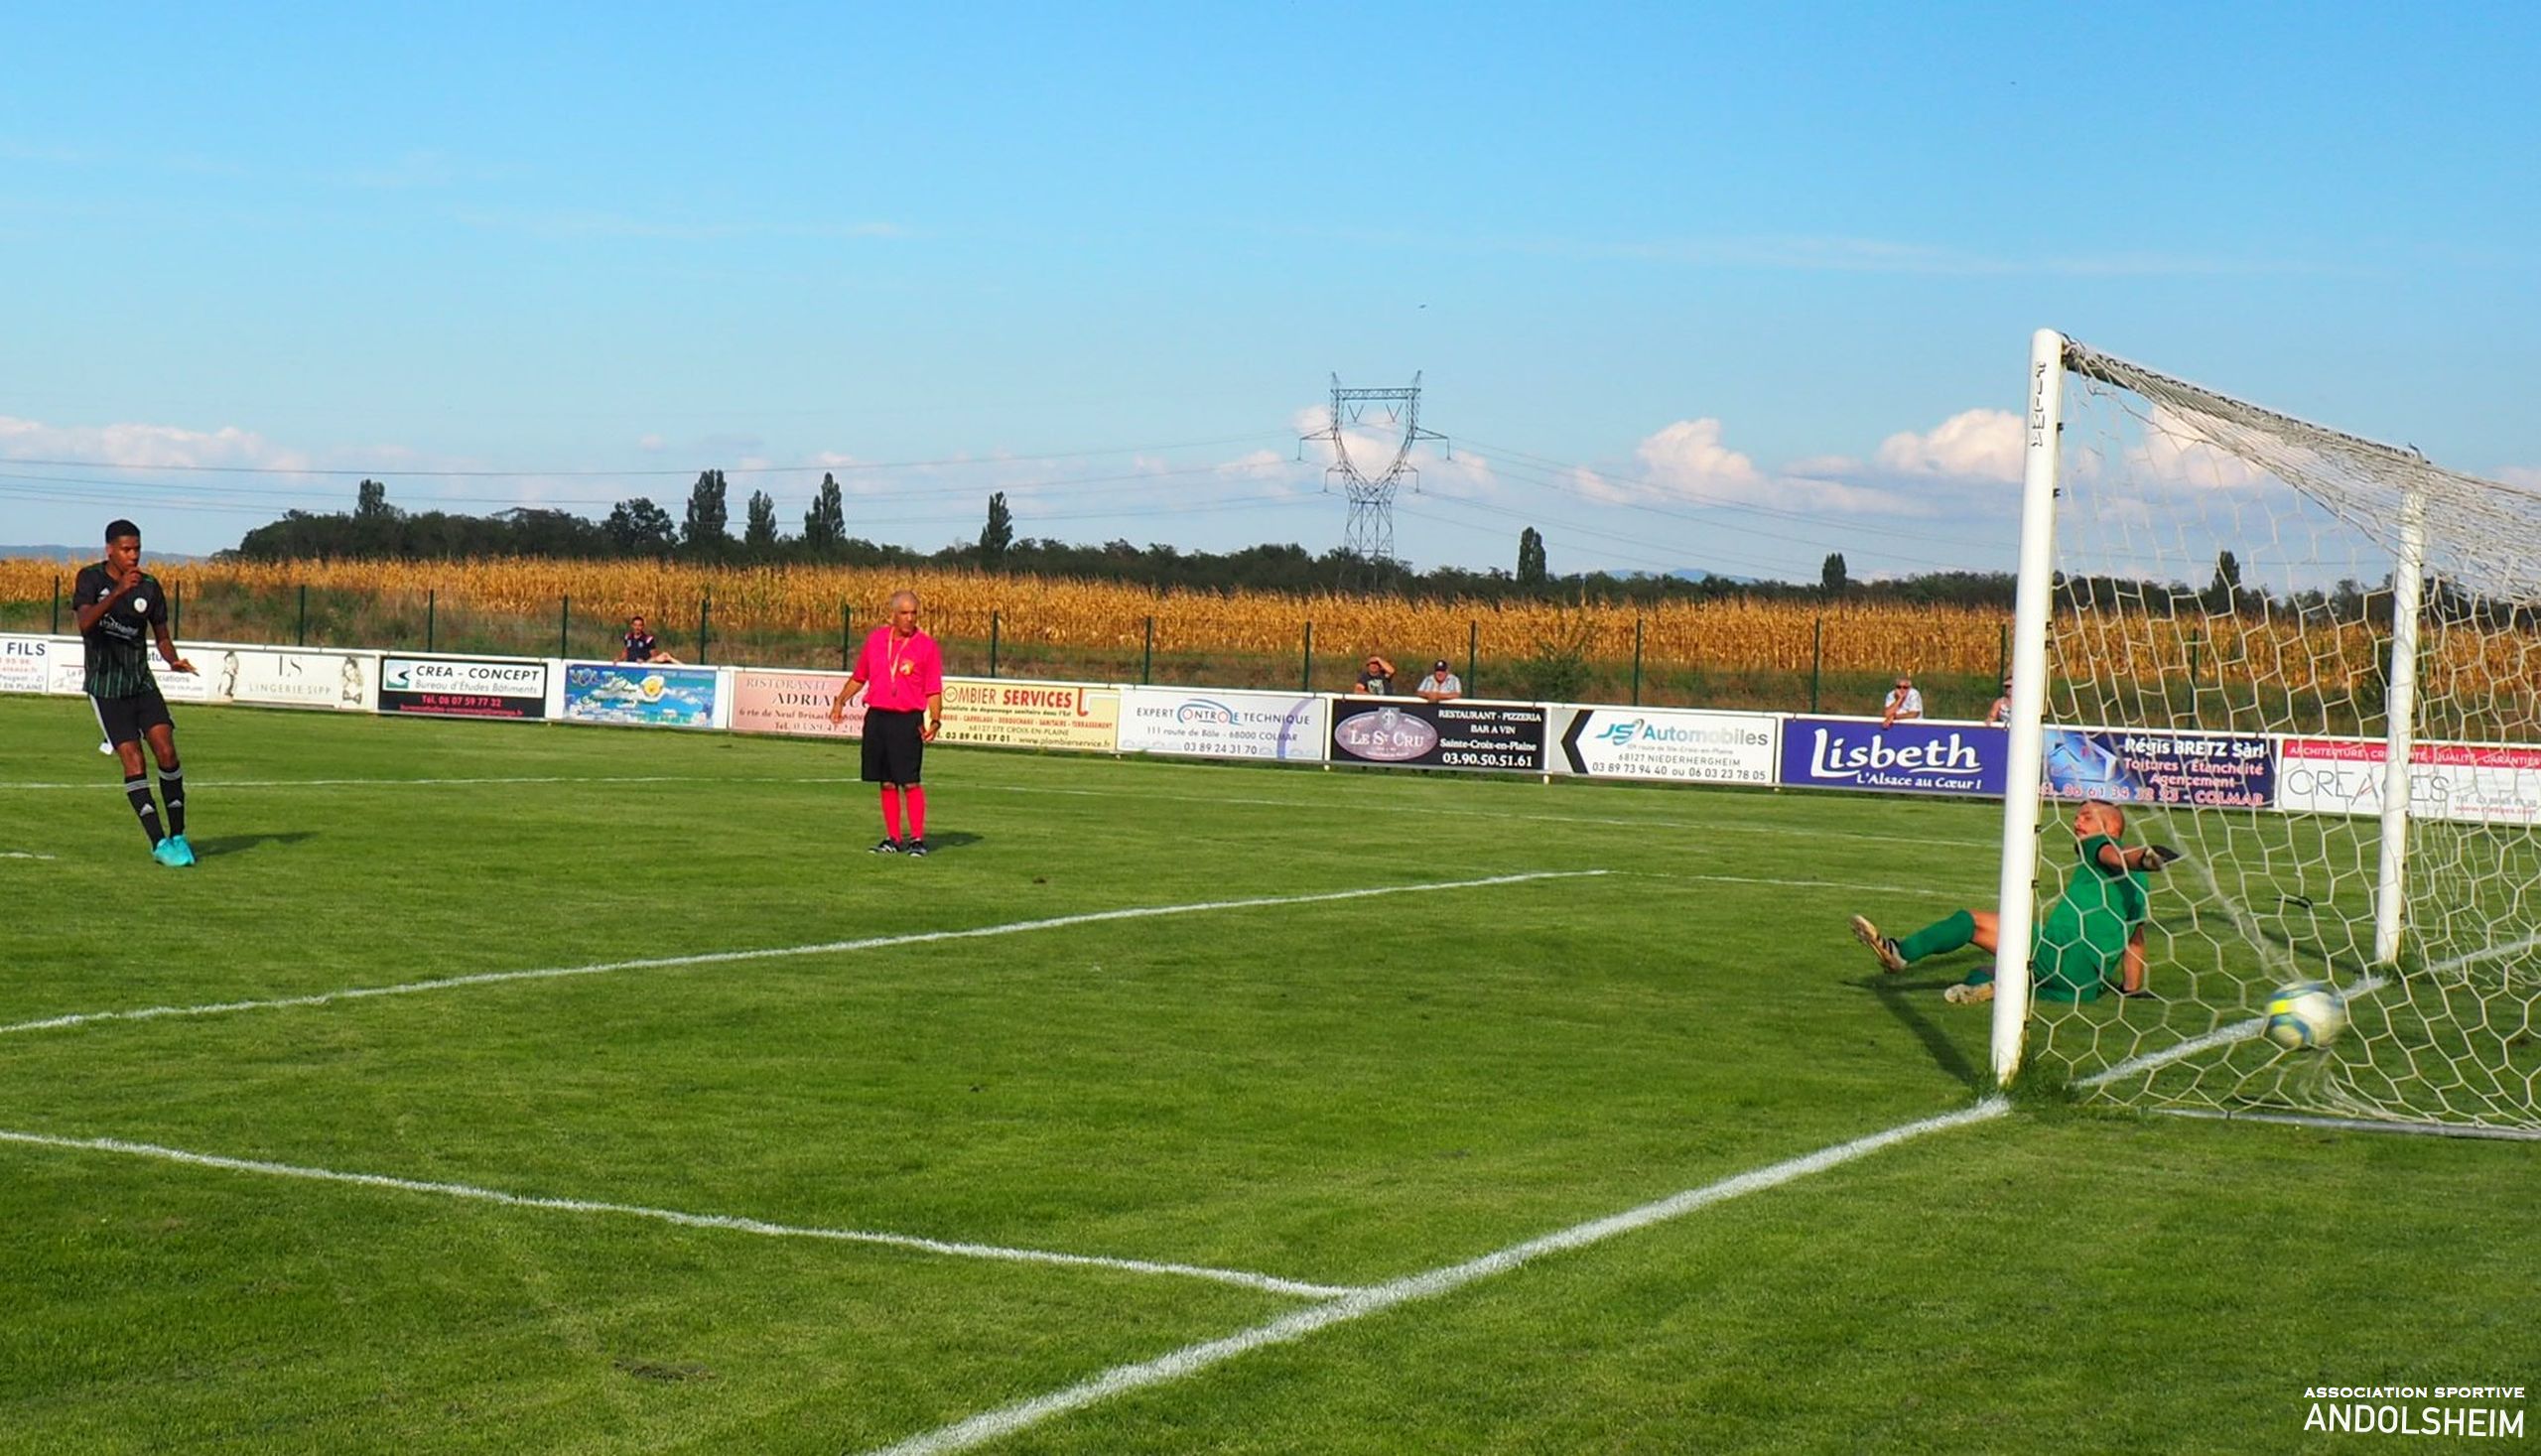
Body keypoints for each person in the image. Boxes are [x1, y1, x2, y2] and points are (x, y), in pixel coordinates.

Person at [1847, 800, 2178, 1004]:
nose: (2077, 822)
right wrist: (2132, 989)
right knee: (1982, 971)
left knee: (1971, 921)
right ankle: (1994, 988)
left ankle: (1899, 952)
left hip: (2062, 954)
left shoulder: (2099, 846)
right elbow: (2135, 939)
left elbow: (2116, 855)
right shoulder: (2139, 885)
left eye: (2086, 817)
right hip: (2083, 986)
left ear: (2111, 826)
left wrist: (2143, 858)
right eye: (2078, 816)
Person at [74, 520, 198, 866]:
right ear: (110, 550)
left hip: (141, 683)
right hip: (106, 688)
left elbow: (162, 635)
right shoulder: (90, 579)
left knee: (167, 751)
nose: (133, 556)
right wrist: (117, 593)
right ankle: (159, 843)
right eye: (126, 549)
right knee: (134, 760)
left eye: (137, 549)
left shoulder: (150, 587)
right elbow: (85, 624)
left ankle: (179, 835)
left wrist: (172, 660)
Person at [829, 590, 945, 856]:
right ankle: (893, 838)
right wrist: (840, 700)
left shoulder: (926, 646)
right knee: (887, 781)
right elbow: (859, 677)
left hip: (907, 720)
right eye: (904, 613)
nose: (910, 618)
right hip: (878, 718)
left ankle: (917, 839)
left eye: (914, 613)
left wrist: (935, 720)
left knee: (910, 781)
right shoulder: (876, 640)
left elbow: (933, 689)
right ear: (892, 614)